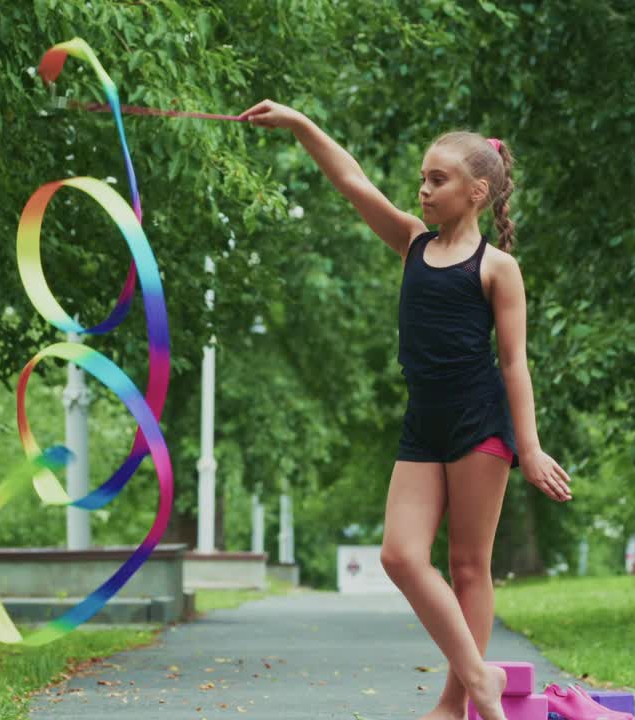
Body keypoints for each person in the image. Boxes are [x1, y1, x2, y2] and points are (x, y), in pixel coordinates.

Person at [238, 99, 573, 720]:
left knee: (470, 565)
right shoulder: (412, 244)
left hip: (480, 425)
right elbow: (350, 181)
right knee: (399, 555)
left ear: (476, 192)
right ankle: (482, 680)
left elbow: (514, 364)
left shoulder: (498, 267)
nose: (422, 190)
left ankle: (454, 704)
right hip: (425, 424)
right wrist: (303, 124)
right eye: (421, 178)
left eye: (436, 180)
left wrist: (529, 446)